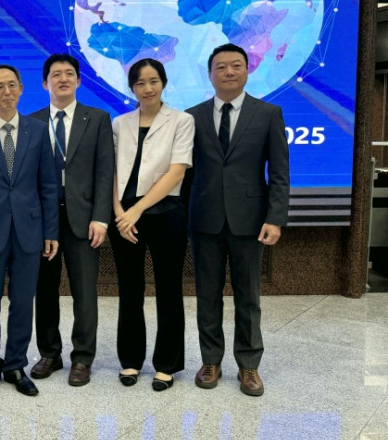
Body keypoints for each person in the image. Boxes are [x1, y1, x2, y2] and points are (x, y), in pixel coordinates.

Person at [187, 43, 289, 396]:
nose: (228, 72)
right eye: (221, 67)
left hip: (250, 220)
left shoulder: (268, 114)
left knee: (248, 297)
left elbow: (279, 172)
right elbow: (185, 174)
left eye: (236, 65)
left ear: (247, 70)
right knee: (207, 295)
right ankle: (210, 361)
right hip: (204, 219)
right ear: (210, 74)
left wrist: (275, 217)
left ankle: (249, 365)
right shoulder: (192, 116)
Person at [0, 65, 59, 396]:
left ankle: (15, 364)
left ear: (21, 89)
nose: (7, 91)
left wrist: (50, 231)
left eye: (12, 85)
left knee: (22, 302)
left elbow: (48, 185)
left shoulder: (38, 130)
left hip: (29, 230)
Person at [28, 54, 114, 387]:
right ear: (44, 83)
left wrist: (101, 218)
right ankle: (50, 353)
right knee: (45, 291)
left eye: (69, 74)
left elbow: (105, 172)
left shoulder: (98, 119)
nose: (62, 79)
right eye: (55, 74)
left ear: (78, 81)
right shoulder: (32, 122)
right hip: (43, 221)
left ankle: (82, 358)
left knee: (84, 292)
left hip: (84, 219)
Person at [109, 58, 194, 391]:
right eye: (141, 83)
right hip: (124, 217)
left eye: (154, 81)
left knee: (169, 289)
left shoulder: (182, 121)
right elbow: (110, 171)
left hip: (166, 213)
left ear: (164, 83)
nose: (148, 88)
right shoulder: (120, 123)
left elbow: (177, 170)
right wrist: (120, 212)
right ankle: (130, 360)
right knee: (129, 290)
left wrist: (137, 210)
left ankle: (167, 364)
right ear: (132, 87)